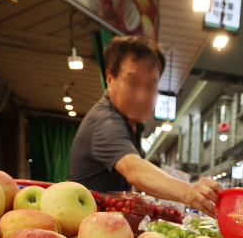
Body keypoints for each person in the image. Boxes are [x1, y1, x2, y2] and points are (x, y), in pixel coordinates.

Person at [68, 35, 222, 216]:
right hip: (83, 232)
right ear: (109, 79)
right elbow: (134, 169)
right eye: (132, 83)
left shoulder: (130, 124)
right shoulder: (105, 121)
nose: (142, 96)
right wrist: (189, 191)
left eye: (150, 86)